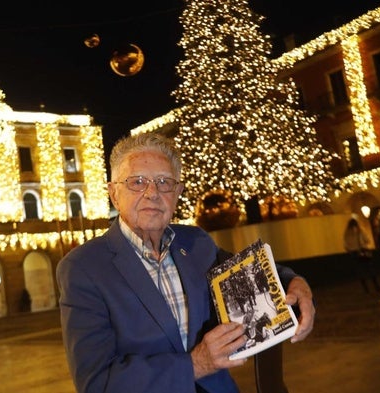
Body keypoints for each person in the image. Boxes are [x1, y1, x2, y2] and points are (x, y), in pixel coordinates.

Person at [57, 133, 315, 393]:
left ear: (177, 193)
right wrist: (196, 364)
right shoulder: (83, 268)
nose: (152, 193)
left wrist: (294, 282)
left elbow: (249, 272)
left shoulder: (196, 243)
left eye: (164, 182)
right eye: (137, 182)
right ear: (114, 193)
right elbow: (97, 383)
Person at [343, 217, 380, 294]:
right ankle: (376, 286)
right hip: (364, 251)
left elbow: (346, 245)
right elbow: (367, 240)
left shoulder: (347, 233)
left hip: (354, 253)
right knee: (370, 269)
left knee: (361, 271)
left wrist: (351, 249)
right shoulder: (360, 231)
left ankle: (366, 289)